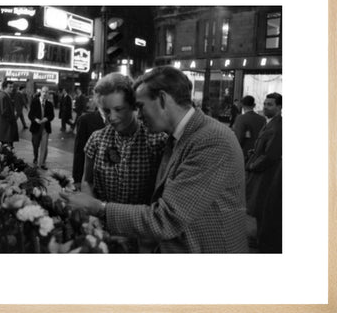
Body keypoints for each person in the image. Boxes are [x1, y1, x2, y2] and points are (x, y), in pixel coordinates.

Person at [62, 66, 248, 253]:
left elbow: (167, 218)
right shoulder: (179, 137)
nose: (140, 115)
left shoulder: (211, 139)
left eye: (140, 106)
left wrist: (99, 208)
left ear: (162, 99)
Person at [80, 73, 167, 206]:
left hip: (140, 222)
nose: (112, 117)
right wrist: (91, 212)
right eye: (106, 111)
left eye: (118, 109)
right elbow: (87, 181)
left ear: (133, 105)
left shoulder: (157, 141)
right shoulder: (96, 139)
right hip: (102, 222)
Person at [245, 92, 282, 253]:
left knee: (263, 206)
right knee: (259, 207)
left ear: (279, 107)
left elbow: (270, 155)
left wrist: (253, 166)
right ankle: (259, 238)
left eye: (270, 104)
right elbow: (263, 147)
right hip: (261, 171)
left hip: (266, 175)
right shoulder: (269, 123)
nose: (265, 107)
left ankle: (263, 241)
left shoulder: (278, 126)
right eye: (265, 104)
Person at [72, 105, 106, 187]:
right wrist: (77, 180)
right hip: (93, 180)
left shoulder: (120, 121)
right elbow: (79, 151)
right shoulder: (85, 120)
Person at [232, 95, 266, 162]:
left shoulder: (240, 118)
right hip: (258, 152)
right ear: (254, 105)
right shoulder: (262, 119)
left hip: (245, 153)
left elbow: (239, 138)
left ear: (242, 105)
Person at [28, 86, 55, 169]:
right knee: (35, 145)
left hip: (45, 128)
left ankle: (42, 163)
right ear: (41, 92)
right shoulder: (35, 102)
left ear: (48, 94)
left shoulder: (49, 104)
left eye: (46, 92)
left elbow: (52, 115)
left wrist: (46, 119)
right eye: (43, 92)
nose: (45, 94)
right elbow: (30, 114)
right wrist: (35, 119)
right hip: (36, 127)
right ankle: (36, 157)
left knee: (44, 146)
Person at [0, 80, 19, 147]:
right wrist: (12, 120)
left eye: (12, 87)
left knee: (5, 148)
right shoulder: (4, 96)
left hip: (4, 128)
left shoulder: (4, 95)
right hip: (6, 128)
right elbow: (5, 112)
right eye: (10, 87)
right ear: (5, 87)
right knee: (7, 148)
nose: (12, 88)